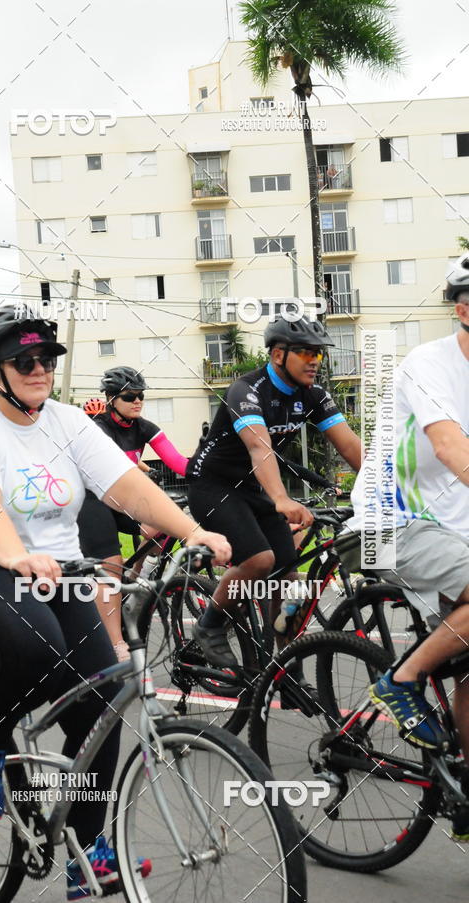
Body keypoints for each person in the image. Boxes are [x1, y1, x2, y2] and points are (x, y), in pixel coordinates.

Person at [0, 307, 230, 897]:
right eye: (24, 362)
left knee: (103, 699)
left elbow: (128, 486)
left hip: (59, 573)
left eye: (47, 360)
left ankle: (87, 849)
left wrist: (192, 530)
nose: (40, 370)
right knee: (34, 648)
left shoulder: (66, 422)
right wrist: (16, 555)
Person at [347, 255, 469, 833]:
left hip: (452, 531)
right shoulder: (429, 364)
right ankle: (399, 680)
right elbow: (449, 447)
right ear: (463, 310)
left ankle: (464, 791)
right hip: (384, 527)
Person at [187, 314, 362, 668]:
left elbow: (351, 448)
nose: (314, 360)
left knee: (288, 579)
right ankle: (210, 625)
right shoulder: (247, 390)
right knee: (260, 560)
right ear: (278, 354)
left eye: (319, 354)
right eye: (305, 352)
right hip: (212, 484)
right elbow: (259, 448)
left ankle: (284, 668)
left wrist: (392, 491)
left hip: (253, 487)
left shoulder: (313, 395)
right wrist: (281, 499)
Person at [78, 367, 189, 661]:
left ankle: (135, 585)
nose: (137, 401)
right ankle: (115, 642)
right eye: (130, 397)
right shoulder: (98, 427)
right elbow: (114, 468)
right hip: (93, 499)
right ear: (112, 398)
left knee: (159, 531)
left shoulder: (144, 427)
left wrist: (210, 471)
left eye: (141, 396)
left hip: (123, 493)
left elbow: (178, 462)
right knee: (111, 565)